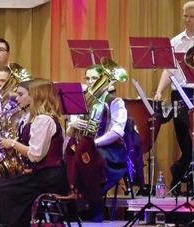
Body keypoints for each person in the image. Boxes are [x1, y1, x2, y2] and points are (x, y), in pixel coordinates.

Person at [0, 78, 69, 227]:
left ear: (34, 96)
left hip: (48, 178)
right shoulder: (31, 119)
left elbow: (35, 155)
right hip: (38, 176)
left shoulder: (44, 120)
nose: (16, 98)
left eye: (20, 94)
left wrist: (12, 143)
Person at [153, 1, 194, 196]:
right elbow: (169, 70)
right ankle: (183, 173)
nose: (187, 20)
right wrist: (159, 91)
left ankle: (187, 176)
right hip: (180, 92)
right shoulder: (175, 42)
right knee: (184, 138)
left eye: (192, 16)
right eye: (185, 16)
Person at [66, 64, 128, 222]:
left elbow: (117, 132)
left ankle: (95, 206)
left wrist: (94, 143)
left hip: (109, 148)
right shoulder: (81, 99)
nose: (91, 82)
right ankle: (74, 204)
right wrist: (72, 125)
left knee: (88, 160)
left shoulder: (115, 101)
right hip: (84, 146)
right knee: (67, 157)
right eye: (88, 78)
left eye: (95, 78)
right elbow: (71, 129)